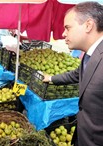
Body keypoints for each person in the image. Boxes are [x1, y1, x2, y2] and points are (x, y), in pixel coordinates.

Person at [43, 2, 103, 146]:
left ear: (88, 25)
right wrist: (50, 78)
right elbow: (76, 74)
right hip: (83, 135)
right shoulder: (89, 54)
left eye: (68, 28)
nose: (63, 33)